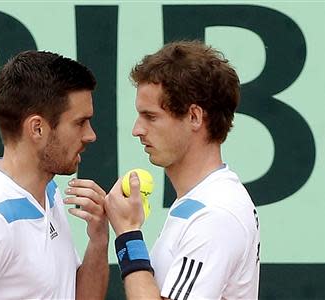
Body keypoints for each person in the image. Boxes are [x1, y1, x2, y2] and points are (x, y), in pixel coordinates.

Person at [0, 50, 109, 300]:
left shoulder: (50, 193)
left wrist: (99, 240)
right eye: (80, 122)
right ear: (37, 128)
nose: (91, 135)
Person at [105, 40, 260, 299]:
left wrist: (128, 234)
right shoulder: (200, 201)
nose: (137, 130)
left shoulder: (215, 214)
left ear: (194, 117)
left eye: (151, 117)